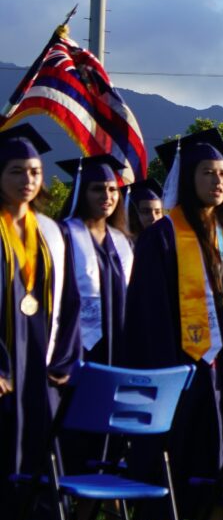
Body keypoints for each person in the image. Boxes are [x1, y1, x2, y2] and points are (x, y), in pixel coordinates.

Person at [124, 129, 223, 520]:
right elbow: (147, 310)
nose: (218, 181)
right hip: (177, 371)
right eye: (207, 173)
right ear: (187, 178)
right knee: (170, 457)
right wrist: (167, 367)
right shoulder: (161, 236)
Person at [0, 128, 73, 520]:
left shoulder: (50, 231)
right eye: (15, 171)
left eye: (34, 172)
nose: (27, 180)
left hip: (38, 371)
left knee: (33, 468)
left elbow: (69, 303)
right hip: (5, 371)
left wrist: (63, 358)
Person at [53, 154, 128, 373]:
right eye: (97, 189)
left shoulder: (122, 241)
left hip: (120, 345)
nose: (107, 196)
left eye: (113, 189)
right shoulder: (63, 234)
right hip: (75, 347)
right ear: (81, 193)